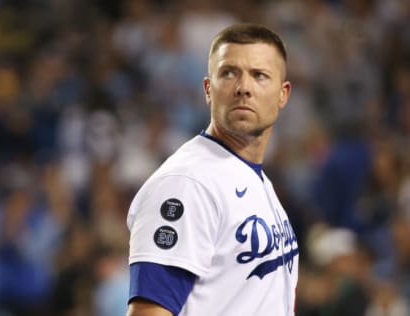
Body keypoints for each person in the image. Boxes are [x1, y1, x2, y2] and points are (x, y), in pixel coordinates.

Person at [126, 22, 299, 316]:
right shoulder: (187, 183)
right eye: (229, 73)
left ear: (283, 94)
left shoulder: (252, 177)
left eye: (259, 75)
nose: (243, 88)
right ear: (208, 89)